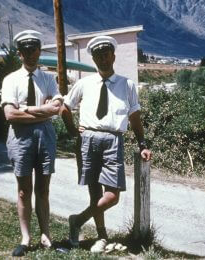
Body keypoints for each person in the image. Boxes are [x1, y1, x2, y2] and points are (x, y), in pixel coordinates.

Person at [61, 35, 152, 253]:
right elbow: (64, 107)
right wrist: (74, 131)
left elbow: (135, 117)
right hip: (88, 140)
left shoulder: (127, 84)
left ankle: (77, 220)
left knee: (112, 196)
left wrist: (143, 144)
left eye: (105, 54)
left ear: (113, 56)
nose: (102, 59)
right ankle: (101, 236)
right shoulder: (84, 83)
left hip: (113, 140)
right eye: (98, 56)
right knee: (95, 193)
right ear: (93, 59)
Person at [0, 30, 63, 256]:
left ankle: (46, 235)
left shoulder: (48, 78)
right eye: (26, 50)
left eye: (34, 49)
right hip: (20, 137)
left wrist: (26, 108)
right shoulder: (11, 80)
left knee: (43, 188)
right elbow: (10, 115)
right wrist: (43, 111)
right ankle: (26, 238)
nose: (31, 54)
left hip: (45, 136)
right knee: (24, 191)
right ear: (20, 53)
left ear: (39, 50)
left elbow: (56, 108)